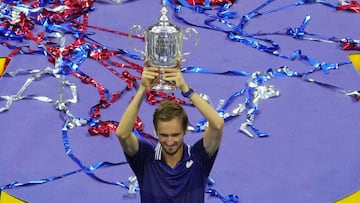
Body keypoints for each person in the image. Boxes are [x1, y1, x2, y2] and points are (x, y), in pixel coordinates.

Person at [116, 61, 224, 203]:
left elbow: (217, 124)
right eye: (164, 135)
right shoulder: (145, 159)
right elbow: (122, 134)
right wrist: (142, 88)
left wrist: (185, 89)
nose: (170, 141)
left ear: (185, 130)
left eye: (175, 135)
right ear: (155, 132)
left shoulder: (199, 158)